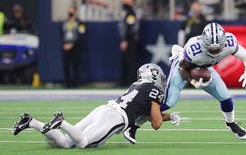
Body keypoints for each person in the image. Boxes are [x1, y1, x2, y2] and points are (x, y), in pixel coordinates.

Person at [125, 22, 246, 141]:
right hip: (183, 66)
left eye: (217, 49)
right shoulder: (194, 48)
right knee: (169, 101)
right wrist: (194, 83)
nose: (214, 51)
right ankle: (133, 125)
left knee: (225, 97)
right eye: (211, 48)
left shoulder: (230, 42)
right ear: (204, 42)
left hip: (204, 67)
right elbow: (183, 69)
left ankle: (230, 123)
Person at [12, 63, 180, 148]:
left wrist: (170, 116)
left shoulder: (136, 85)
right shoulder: (153, 90)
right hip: (116, 118)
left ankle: (31, 121)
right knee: (84, 143)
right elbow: (155, 123)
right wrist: (162, 111)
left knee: (65, 142)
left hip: (104, 109)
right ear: (154, 76)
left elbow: (147, 114)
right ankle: (61, 122)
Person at [61, 5, 86, 88]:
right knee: (66, 65)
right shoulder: (65, 23)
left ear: (75, 12)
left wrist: (72, 44)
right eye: (69, 12)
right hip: (66, 47)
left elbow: (82, 35)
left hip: (76, 48)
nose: (70, 14)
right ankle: (67, 83)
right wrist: (65, 44)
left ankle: (76, 83)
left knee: (76, 65)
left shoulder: (80, 23)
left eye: (72, 12)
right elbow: (61, 34)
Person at [118, 0, 140, 86]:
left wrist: (125, 40)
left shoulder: (130, 12)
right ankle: (124, 81)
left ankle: (131, 81)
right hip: (127, 40)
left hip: (130, 40)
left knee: (131, 61)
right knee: (125, 61)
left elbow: (130, 27)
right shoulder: (125, 10)